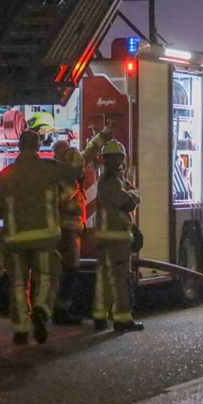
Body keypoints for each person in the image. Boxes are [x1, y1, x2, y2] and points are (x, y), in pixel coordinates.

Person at [0, 130, 82, 345]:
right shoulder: (48, 169)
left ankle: (21, 329)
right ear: (38, 146)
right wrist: (72, 154)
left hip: (15, 240)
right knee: (47, 277)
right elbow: (74, 173)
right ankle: (41, 309)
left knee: (18, 284)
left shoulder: (5, 175)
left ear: (19, 146)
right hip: (45, 238)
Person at [51, 126, 111, 325]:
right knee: (69, 269)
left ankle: (58, 308)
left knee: (67, 270)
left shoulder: (69, 169)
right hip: (64, 231)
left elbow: (87, 153)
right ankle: (60, 310)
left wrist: (102, 136)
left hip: (70, 230)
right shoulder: (59, 179)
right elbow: (62, 203)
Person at [92, 140, 144, 331]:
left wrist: (132, 193)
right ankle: (122, 319)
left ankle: (100, 315)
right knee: (121, 278)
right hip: (116, 238)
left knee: (104, 277)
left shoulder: (113, 179)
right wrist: (135, 195)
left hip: (108, 237)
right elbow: (127, 201)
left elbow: (130, 195)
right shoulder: (110, 181)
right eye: (115, 158)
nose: (117, 161)